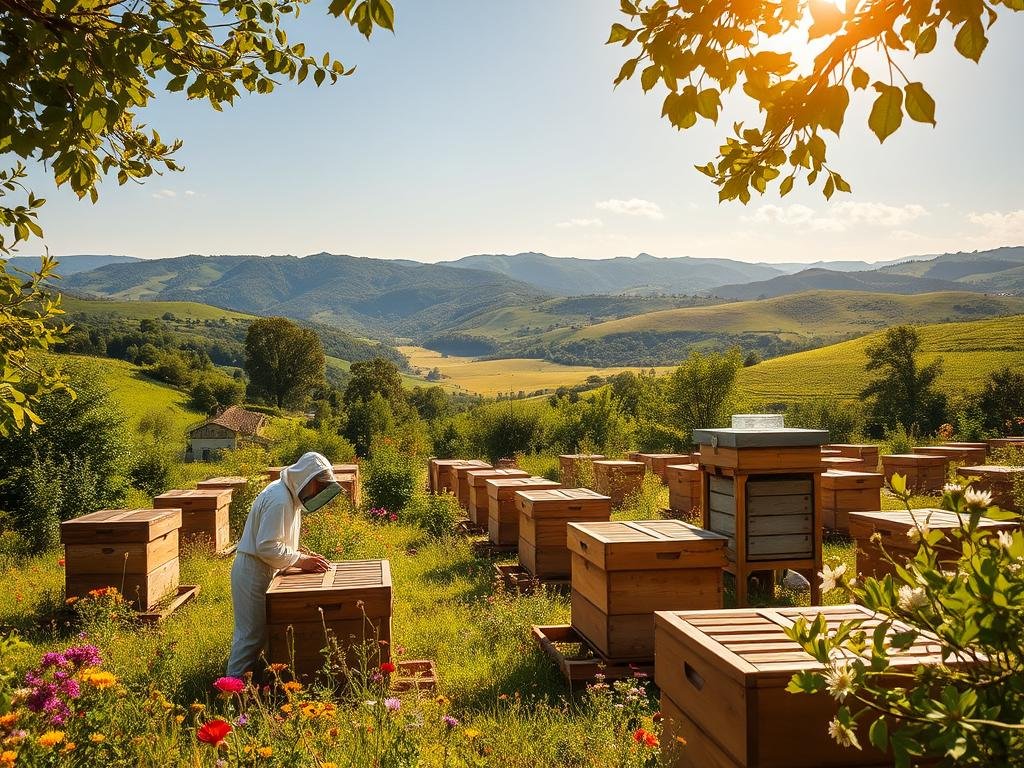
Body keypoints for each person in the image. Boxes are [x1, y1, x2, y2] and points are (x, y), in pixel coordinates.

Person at [226, 451, 341, 677]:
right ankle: (229, 688)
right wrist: (300, 560)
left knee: (267, 632)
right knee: (251, 635)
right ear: (306, 478)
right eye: (318, 485)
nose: (317, 492)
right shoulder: (279, 499)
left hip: (264, 568)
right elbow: (267, 546)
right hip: (254, 572)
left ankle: (259, 682)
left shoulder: (287, 497)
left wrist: (300, 555)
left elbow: (277, 541)